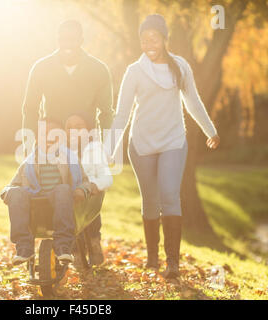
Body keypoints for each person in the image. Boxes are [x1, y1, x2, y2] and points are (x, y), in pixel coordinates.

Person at [107, 14, 220, 278]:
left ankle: (172, 263)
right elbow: (122, 114)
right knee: (150, 202)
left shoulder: (180, 67)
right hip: (142, 144)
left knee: (169, 196)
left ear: (165, 39)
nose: (149, 43)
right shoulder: (134, 71)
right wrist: (109, 150)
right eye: (144, 39)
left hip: (172, 141)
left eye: (154, 37)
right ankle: (153, 259)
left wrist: (210, 130)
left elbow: (192, 101)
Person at [22, 19, 114, 264]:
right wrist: (31, 142)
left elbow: (106, 112)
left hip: (85, 139)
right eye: (63, 39)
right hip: (53, 140)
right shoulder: (42, 68)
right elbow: (30, 108)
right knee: (53, 185)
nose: (68, 44)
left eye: (73, 39)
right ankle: (56, 237)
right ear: (58, 40)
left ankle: (93, 239)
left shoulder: (98, 69)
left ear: (81, 40)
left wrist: (108, 146)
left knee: (88, 185)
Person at [0, 118, 91, 265]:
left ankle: (63, 245)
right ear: (37, 138)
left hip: (61, 202)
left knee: (63, 189)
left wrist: (81, 189)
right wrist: (8, 193)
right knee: (16, 192)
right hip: (35, 204)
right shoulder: (29, 162)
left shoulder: (70, 159)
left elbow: (85, 181)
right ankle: (24, 247)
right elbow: (13, 184)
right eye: (45, 134)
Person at [65, 114, 113, 266]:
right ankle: (75, 249)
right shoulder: (61, 151)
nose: (74, 131)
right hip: (69, 197)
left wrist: (95, 185)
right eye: (69, 128)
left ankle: (93, 241)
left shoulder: (95, 150)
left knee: (89, 210)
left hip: (89, 195)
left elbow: (107, 177)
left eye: (79, 127)